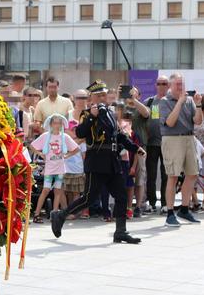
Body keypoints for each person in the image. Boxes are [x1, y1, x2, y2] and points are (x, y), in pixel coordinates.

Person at [50, 80, 145, 244]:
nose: (102, 97)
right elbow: (80, 132)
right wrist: (92, 118)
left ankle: (120, 231)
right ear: (91, 97)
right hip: (96, 160)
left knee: (121, 196)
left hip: (112, 160)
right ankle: (60, 215)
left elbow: (119, 135)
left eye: (104, 94)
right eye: (98, 95)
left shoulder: (110, 113)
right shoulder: (87, 114)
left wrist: (135, 148)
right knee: (89, 198)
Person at [159, 73, 203, 227]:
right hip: (172, 139)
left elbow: (197, 121)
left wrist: (197, 105)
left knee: (193, 174)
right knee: (173, 176)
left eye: (182, 83)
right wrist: (179, 103)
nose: (181, 87)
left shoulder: (189, 100)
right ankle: (170, 213)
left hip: (189, 138)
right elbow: (170, 123)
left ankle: (184, 209)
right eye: (178, 84)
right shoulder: (164, 101)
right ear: (170, 86)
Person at [29, 114, 79, 223]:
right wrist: (40, 153)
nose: (57, 125)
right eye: (55, 123)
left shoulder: (64, 137)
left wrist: (67, 156)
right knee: (45, 190)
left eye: (60, 123)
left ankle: (54, 213)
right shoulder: (46, 136)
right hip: (49, 168)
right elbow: (32, 146)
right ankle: (37, 214)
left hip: (60, 168)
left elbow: (76, 148)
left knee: (57, 191)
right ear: (51, 124)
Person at [144, 76, 170, 213]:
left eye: (164, 83)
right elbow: (142, 120)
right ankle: (151, 202)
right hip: (152, 143)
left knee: (166, 174)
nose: (161, 86)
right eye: (159, 83)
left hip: (168, 143)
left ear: (169, 85)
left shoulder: (173, 101)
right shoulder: (150, 102)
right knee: (151, 174)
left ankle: (166, 203)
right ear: (155, 85)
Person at [124, 86, 150, 217]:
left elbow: (146, 113)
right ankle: (125, 205)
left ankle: (138, 206)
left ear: (139, 95)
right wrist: (120, 97)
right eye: (128, 93)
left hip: (139, 146)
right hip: (122, 147)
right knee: (124, 177)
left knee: (139, 178)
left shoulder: (140, 107)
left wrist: (134, 100)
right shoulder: (121, 106)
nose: (130, 95)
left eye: (133, 93)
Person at [62, 120, 88, 219]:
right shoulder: (65, 141)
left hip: (78, 170)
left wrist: (84, 171)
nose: (74, 132)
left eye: (76, 130)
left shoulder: (82, 143)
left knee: (76, 192)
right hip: (66, 170)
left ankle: (75, 212)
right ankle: (69, 211)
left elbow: (84, 157)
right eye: (72, 130)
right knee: (68, 192)